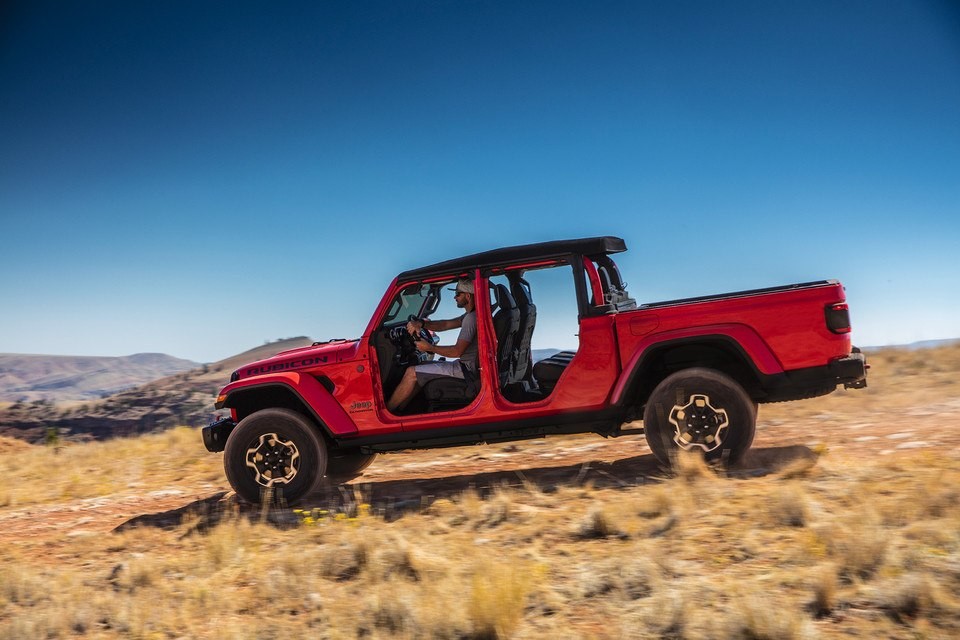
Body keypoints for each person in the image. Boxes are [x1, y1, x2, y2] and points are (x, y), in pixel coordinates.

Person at [386, 278, 478, 413]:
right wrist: (422, 324)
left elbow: (456, 352)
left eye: (458, 294)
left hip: (465, 370)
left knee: (411, 372)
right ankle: (402, 410)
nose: (454, 297)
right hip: (466, 367)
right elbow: (445, 324)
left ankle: (388, 412)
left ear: (468, 296)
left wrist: (429, 348)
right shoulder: (470, 316)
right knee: (421, 367)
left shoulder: (471, 319)